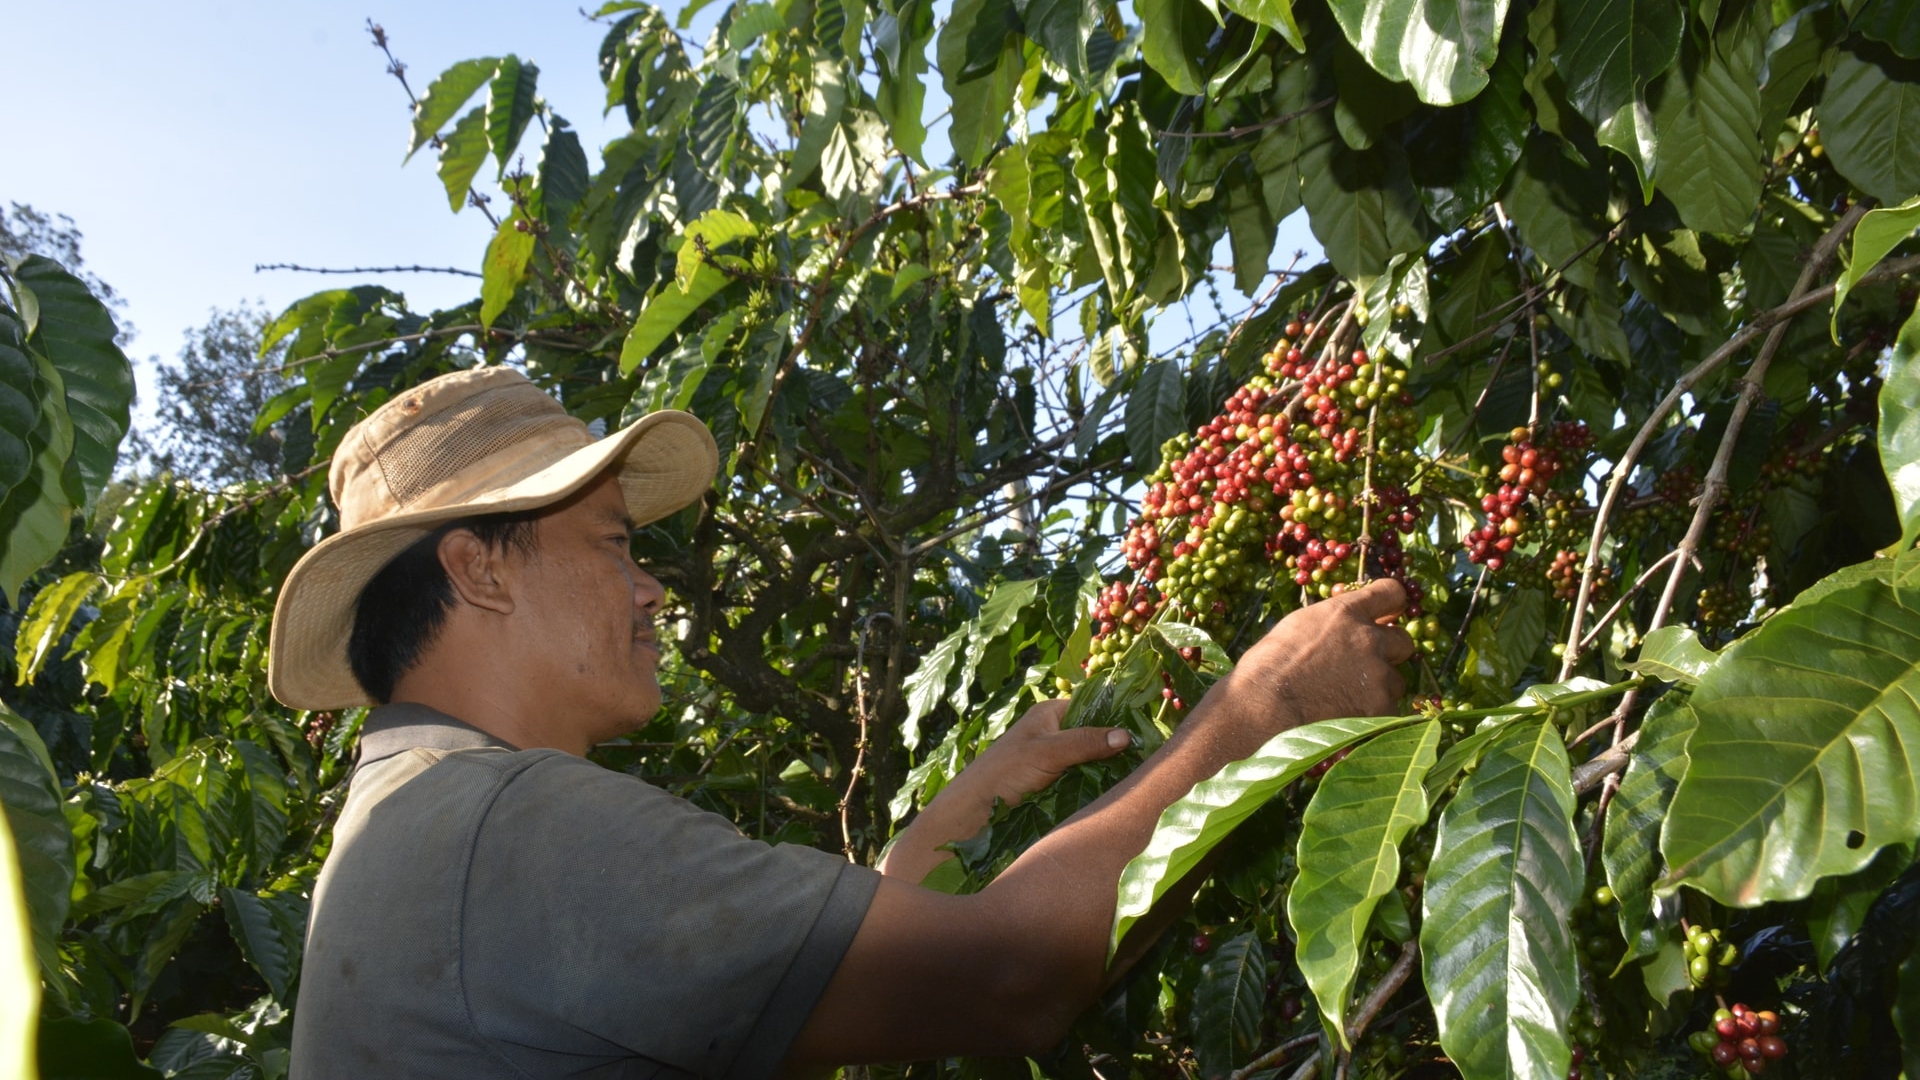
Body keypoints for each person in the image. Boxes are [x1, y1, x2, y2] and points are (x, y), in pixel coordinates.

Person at [275, 366, 1414, 1078]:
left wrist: (949, 826)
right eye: (615, 542)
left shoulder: (411, 824)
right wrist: (1265, 709)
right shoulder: (514, 825)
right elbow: (1015, 980)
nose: (650, 586)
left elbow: (782, 1013)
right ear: (478, 570)